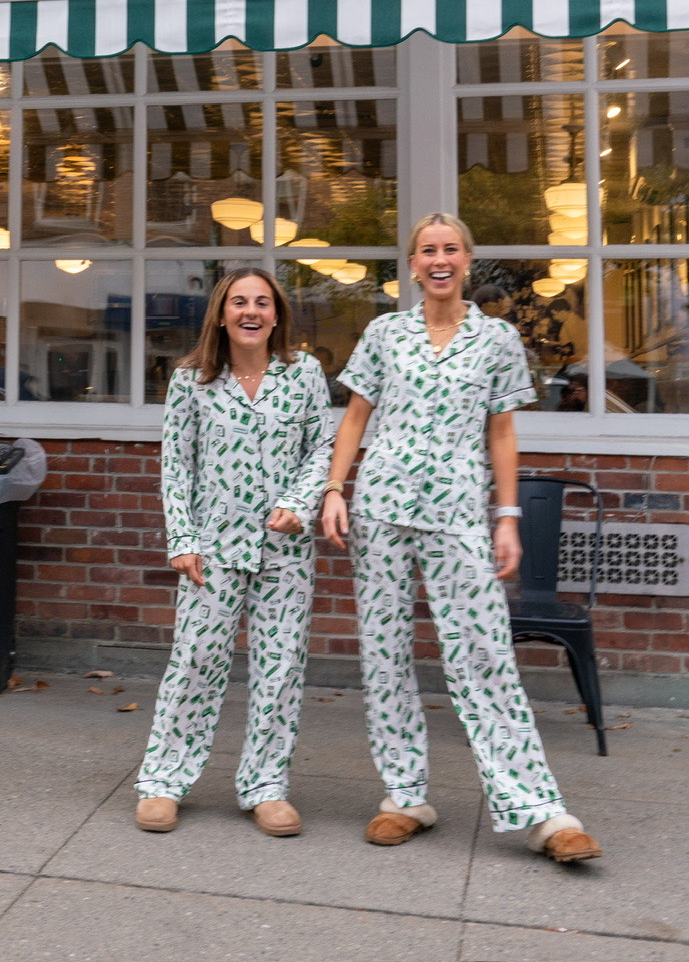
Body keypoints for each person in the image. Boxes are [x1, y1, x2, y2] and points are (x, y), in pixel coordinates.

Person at [297, 213, 603, 863]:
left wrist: (509, 516)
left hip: (460, 514)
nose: (439, 259)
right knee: (384, 655)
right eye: (426, 250)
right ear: (411, 265)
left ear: (467, 261)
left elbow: (502, 434)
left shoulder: (496, 340)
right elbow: (354, 419)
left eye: (451, 249)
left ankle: (541, 812)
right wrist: (333, 489)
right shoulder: (384, 334)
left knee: (485, 653)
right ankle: (405, 796)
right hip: (380, 509)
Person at [135, 268, 332, 837]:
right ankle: (163, 782)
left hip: (284, 549)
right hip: (211, 548)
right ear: (221, 314)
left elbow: (322, 447)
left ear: (277, 315)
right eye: (239, 302)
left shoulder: (305, 374)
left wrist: (300, 501)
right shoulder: (191, 380)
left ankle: (266, 787)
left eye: (262, 303)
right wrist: (182, 541)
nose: (251, 312)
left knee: (280, 667)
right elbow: (176, 465)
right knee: (195, 660)